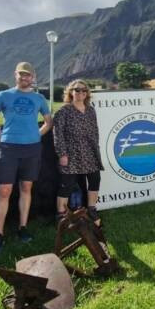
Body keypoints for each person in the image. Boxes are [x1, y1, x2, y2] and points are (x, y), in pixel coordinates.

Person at [0, 62, 52, 252]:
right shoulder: (3, 95)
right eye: (21, 74)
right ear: (15, 75)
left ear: (33, 77)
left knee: (26, 187)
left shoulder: (39, 98)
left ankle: (22, 228)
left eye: (28, 75)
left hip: (32, 148)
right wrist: (3, 138)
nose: (24, 77)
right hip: (9, 148)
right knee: (4, 190)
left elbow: (48, 122)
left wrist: (36, 135)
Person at [53, 80, 103, 223]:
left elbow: (95, 131)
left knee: (95, 180)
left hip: (90, 151)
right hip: (71, 153)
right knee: (66, 184)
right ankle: (61, 216)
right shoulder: (63, 111)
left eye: (84, 90)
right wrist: (62, 154)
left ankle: (91, 209)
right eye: (77, 90)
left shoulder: (91, 110)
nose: (81, 92)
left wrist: (96, 148)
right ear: (70, 92)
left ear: (87, 93)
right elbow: (57, 134)